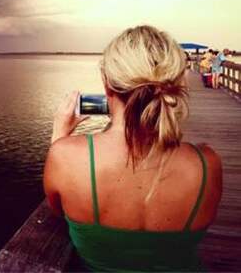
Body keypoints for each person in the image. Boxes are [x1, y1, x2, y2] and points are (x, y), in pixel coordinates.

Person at [44, 26, 222, 272]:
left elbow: (57, 210)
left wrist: (59, 137)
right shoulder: (207, 164)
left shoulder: (66, 158)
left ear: (107, 85)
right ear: (178, 82)